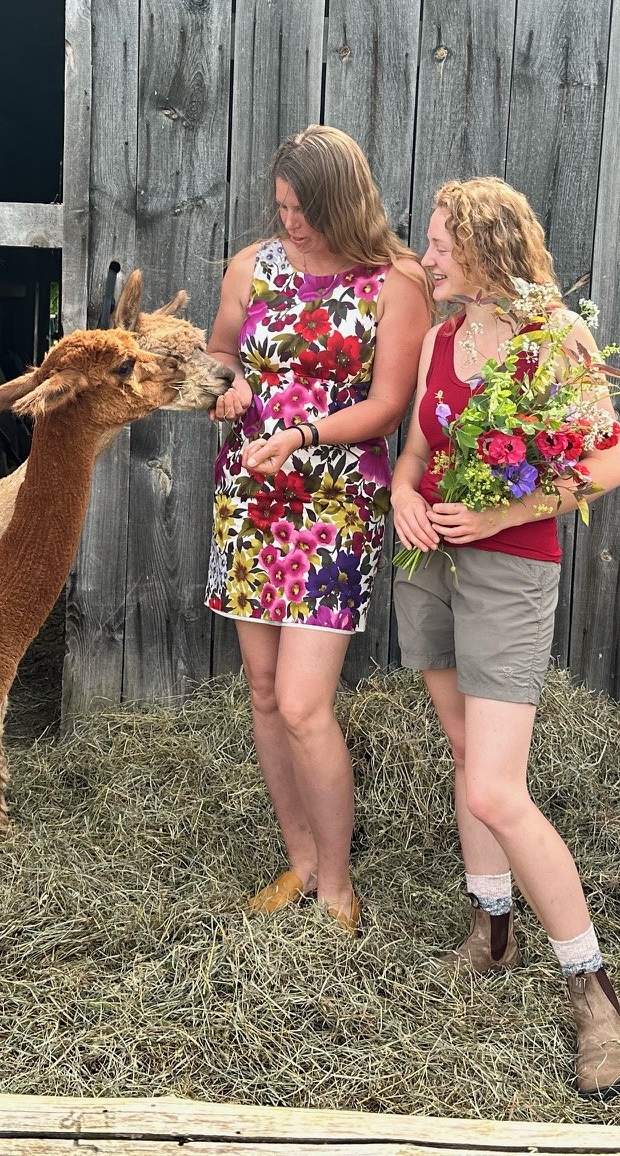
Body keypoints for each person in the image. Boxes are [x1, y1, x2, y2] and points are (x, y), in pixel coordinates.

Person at [390, 177, 620, 1097]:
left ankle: (596, 996)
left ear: (490, 244)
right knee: (465, 756)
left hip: (510, 567)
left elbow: (606, 463)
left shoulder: (555, 338)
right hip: (431, 567)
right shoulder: (443, 340)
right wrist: (408, 496)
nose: (428, 256)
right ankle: (489, 934)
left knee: (496, 785)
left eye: (443, 242)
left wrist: (501, 518)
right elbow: (413, 451)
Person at [205, 126, 429, 934]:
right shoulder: (253, 266)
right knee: (264, 694)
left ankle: (336, 883)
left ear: (341, 202)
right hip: (249, 496)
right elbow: (223, 350)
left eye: (302, 209)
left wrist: (302, 437)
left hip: (331, 508)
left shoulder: (394, 282)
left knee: (305, 703)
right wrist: (226, 390)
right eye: (281, 208)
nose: (289, 224)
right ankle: (298, 860)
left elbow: (388, 406)